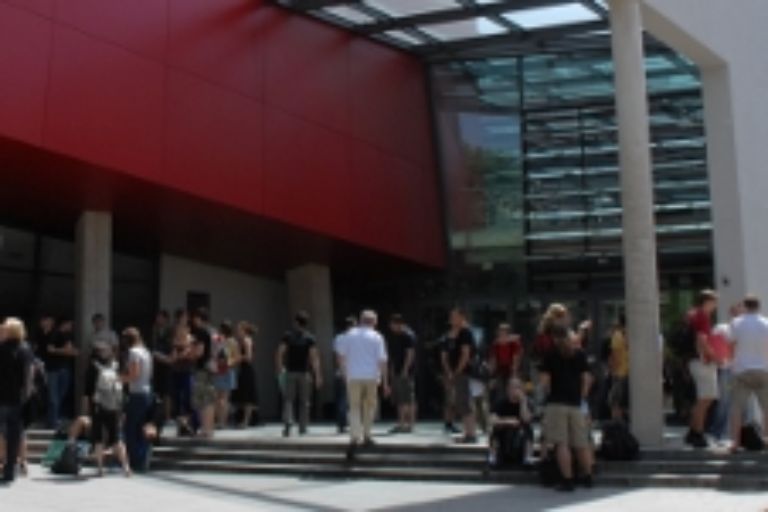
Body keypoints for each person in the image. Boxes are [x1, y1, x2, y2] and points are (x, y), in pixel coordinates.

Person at [540, 325, 594, 492]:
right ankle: (588, 476)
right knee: (581, 442)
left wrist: (547, 392)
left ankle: (567, 480)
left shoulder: (550, 354)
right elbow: (586, 378)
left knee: (561, 443)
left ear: (554, 338)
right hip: (575, 403)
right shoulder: (579, 354)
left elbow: (545, 381)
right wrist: (582, 397)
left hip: (556, 402)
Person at [336, 310, 389, 460]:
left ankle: (354, 437)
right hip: (371, 376)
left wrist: (344, 373)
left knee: (354, 407)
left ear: (360, 320)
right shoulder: (377, 337)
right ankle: (367, 434)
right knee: (369, 406)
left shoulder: (349, 335)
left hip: (353, 376)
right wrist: (385, 382)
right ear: (374, 322)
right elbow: (382, 360)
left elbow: (340, 356)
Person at [728, 295, 768, 451]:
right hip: (763, 369)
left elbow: (731, 344)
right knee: (766, 408)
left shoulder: (736, 323)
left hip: (742, 369)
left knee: (737, 407)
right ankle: (766, 439)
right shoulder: (766, 323)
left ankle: (735, 442)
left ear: (745, 306)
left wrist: (732, 362)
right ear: (758, 307)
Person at [276, 312, 322, 437]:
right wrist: (317, 375)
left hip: (290, 371)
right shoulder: (310, 338)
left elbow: (280, 352)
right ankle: (303, 426)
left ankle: (288, 422)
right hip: (304, 372)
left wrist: (280, 367)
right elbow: (314, 358)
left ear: (296, 322)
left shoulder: (288, 336)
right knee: (304, 401)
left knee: (288, 399)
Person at [88, 341, 131, 477]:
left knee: (98, 439)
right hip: (115, 407)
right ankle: (126, 467)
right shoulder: (116, 366)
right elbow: (123, 388)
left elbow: (87, 392)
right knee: (117, 438)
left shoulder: (92, 368)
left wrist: (88, 408)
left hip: (98, 407)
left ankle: (100, 468)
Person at [0, 318, 33, 484]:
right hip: (16, 398)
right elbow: (28, 376)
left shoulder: (1, 348)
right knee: (14, 435)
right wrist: (26, 397)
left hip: (2, 397)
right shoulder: (25, 349)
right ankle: (10, 469)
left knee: (6, 433)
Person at [684, 289, 719, 448]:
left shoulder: (692, 314)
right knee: (706, 398)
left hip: (694, 360)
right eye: (714, 302)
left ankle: (693, 431)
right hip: (702, 361)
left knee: (703, 398)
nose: (716, 305)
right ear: (707, 302)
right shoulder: (702, 316)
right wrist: (712, 356)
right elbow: (702, 339)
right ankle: (697, 432)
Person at [441, 307, 477, 444]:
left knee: (465, 402)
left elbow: (465, 354)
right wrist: (449, 372)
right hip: (454, 373)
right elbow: (445, 355)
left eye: (454, 316)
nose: (451, 319)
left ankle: (471, 433)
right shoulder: (450, 334)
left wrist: (457, 372)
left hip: (463, 373)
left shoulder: (465, 332)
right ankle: (466, 432)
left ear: (462, 317)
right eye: (451, 316)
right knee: (460, 403)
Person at [708, 304, 742, 441]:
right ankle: (717, 432)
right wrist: (719, 359)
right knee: (725, 401)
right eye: (736, 312)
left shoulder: (743, 329)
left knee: (739, 403)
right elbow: (714, 344)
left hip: (741, 370)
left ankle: (736, 434)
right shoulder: (722, 328)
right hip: (727, 369)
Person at [122, 327, 153, 472]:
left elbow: (134, 374)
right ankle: (142, 456)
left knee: (130, 428)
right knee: (140, 427)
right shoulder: (146, 352)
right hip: (146, 391)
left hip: (137, 393)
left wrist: (118, 379)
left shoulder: (133, 352)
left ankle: (134, 460)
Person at [488, 378, 533, 468]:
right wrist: (507, 421)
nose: (514, 390)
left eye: (517, 387)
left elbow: (527, 419)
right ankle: (493, 456)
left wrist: (523, 403)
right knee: (495, 430)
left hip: (520, 431)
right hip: (504, 429)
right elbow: (492, 419)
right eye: (512, 387)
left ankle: (527, 457)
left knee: (528, 429)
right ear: (507, 389)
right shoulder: (500, 402)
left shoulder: (527, 402)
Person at [44, 319, 77, 429]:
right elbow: (50, 349)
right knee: (53, 397)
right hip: (53, 369)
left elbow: (72, 351)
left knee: (61, 395)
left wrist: (67, 351)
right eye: (70, 324)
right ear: (64, 324)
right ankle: (52, 422)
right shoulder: (54, 334)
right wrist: (66, 351)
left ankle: (55, 418)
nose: (71, 326)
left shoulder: (68, 336)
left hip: (64, 368)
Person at [387, 314, 416, 434]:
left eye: (392, 324)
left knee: (408, 398)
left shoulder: (408, 335)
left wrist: (405, 369)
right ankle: (401, 423)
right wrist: (392, 370)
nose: (391, 327)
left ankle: (409, 424)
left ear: (398, 323)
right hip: (397, 370)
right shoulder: (395, 336)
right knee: (399, 398)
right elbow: (393, 355)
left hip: (405, 372)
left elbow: (410, 354)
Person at [190, 308, 216, 438]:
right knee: (209, 400)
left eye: (195, 318)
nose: (194, 321)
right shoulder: (213, 331)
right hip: (211, 366)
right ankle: (209, 429)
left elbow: (199, 351)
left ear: (199, 318)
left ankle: (205, 429)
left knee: (203, 400)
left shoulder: (201, 332)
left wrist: (191, 354)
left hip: (202, 368)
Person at [212, 321, 239, 428]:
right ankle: (222, 422)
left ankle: (219, 421)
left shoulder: (219, 340)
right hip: (228, 370)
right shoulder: (233, 341)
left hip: (220, 370)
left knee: (218, 398)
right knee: (224, 398)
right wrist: (228, 363)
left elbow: (213, 353)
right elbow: (237, 357)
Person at [232, 321, 259, 429]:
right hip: (243, 369)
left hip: (247, 370)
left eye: (239, 330)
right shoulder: (242, 341)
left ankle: (246, 421)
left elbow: (249, 357)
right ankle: (243, 420)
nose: (237, 332)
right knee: (243, 396)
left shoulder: (247, 340)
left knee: (248, 397)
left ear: (244, 330)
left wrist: (237, 358)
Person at [170, 321, 195, 436]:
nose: (180, 332)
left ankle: (188, 424)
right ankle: (181, 426)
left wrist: (181, 353)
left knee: (187, 398)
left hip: (187, 372)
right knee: (177, 399)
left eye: (182, 329)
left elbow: (189, 354)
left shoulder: (191, 341)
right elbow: (173, 357)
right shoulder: (175, 341)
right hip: (176, 372)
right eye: (178, 330)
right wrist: (180, 354)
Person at [333, 316, 357, 434]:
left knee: (342, 399)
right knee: (352, 400)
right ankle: (351, 423)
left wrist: (342, 371)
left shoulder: (339, 338)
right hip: (355, 372)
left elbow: (338, 357)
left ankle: (342, 424)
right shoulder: (356, 339)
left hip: (342, 371)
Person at [489, 323, 523, 402]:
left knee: (512, 389)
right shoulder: (496, 344)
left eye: (504, 332)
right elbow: (493, 358)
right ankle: (502, 405)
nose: (502, 334)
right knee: (500, 390)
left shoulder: (513, 343)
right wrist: (491, 372)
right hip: (500, 369)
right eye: (500, 332)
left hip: (510, 369)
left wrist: (514, 372)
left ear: (508, 333)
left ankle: (512, 403)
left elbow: (516, 357)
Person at [150, 310, 173, 423]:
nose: (158, 319)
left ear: (165, 319)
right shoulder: (154, 330)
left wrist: (166, 358)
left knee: (167, 392)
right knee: (157, 391)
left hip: (167, 363)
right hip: (156, 364)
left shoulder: (170, 331)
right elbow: (152, 345)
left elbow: (172, 347)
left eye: (160, 317)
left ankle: (167, 416)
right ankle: (157, 415)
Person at [608, 315, 629, 421]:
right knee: (625, 401)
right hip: (629, 372)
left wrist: (612, 370)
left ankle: (617, 423)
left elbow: (615, 355)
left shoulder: (617, 335)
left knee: (615, 401)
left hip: (620, 372)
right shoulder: (633, 335)